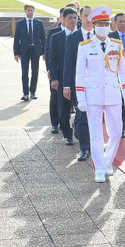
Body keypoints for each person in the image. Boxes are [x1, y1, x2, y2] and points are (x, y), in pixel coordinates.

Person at [75, 7, 125, 183]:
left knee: (115, 133)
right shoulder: (84, 47)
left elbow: (123, 72)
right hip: (93, 95)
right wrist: (81, 98)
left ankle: (107, 162)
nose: (103, 27)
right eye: (100, 24)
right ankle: (99, 168)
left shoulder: (117, 45)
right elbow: (79, 74)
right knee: (96, 134)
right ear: (93, 25)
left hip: (113, 95)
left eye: (106, 24)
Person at [62, 6, 94, 161]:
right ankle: (85, 148)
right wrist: (67, 86)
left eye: (91, 15)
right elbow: (68, 63)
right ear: (80, 17)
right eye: (85, 15)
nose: (88, 18)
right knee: (81, 117)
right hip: (80, 85)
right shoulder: (73, 38)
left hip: (97, 85)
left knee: (93, 117)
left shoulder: (100, 36)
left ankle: (93, 144)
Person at [47, 8, 78, 146]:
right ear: (63, 20)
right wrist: (54, 78)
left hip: (79, 77)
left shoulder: (81, 36)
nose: (73, 21)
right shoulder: (56, 37)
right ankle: (67, 134)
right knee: (63, 108)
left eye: (75, 18)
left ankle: (79, 129)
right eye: (70, 18)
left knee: (81, 107)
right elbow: (52, 59)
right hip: (62, 78)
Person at [13, 3, 46, 101]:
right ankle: (25, 93)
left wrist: (44, 52)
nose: (30, 12)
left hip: (35, 50)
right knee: (24, 73)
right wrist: (16, 53)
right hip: (24, 51)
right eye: (28, 10)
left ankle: (33, 91)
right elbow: (16, 39)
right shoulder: (20, 23)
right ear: (25, 11)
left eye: (31, 10)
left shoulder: (39, 23)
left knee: (35, 72)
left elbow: (43, 39)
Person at [44, 9, 65, 133]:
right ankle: (54, 123)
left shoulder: (78, 32)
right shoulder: (53, 32)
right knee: (55, 97)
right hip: (56, 70)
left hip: (71, 71)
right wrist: (50, 71)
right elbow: (49, 53)